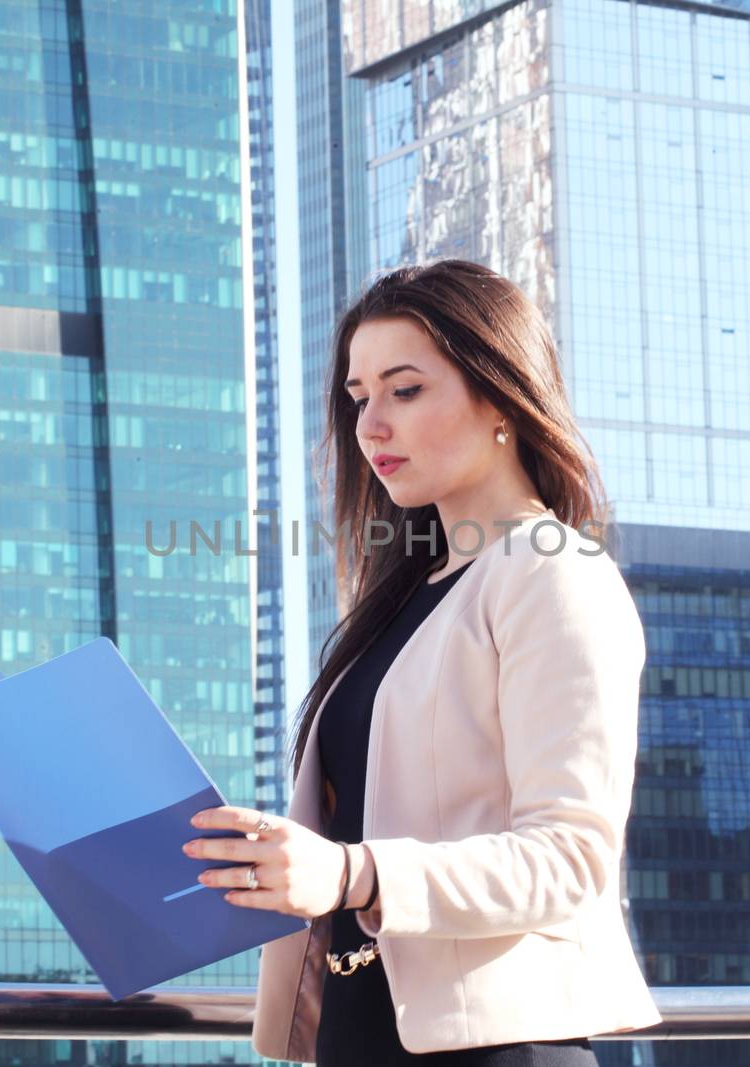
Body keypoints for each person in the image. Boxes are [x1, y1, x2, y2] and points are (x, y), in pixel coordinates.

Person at [182, 259, 662, 1063]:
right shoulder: (402, 596)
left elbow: (571, 856)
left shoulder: (555, 571)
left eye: (404, 390)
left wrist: (352, 873)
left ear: (502, 395)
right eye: (359, 396)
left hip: (499, 1048)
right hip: (364, 1034)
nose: (370, 426)